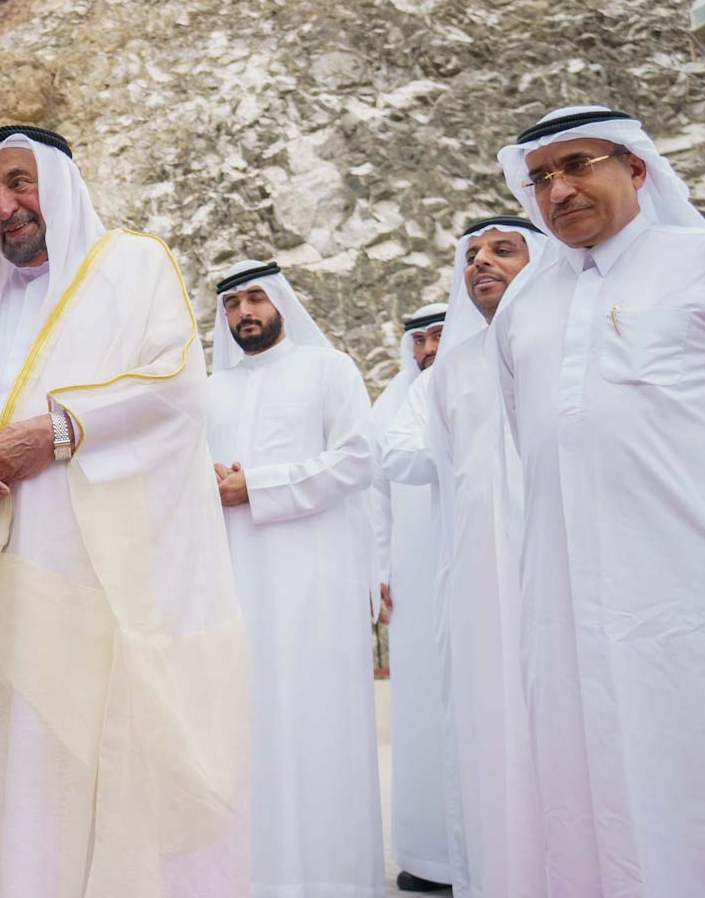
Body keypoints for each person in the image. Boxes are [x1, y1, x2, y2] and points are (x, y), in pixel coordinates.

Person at [0, 125, 250, 896]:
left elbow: (176, 387)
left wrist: (57, 430)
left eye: (20, 183)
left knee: (79, 777)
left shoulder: (132, 266)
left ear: (61, 184)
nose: (5, 207)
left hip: (91, 592)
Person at [490, 106, 705, 895]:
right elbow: (536, 437)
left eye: (578, 164)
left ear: (637, 168)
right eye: (541, 177)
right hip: (571, 598)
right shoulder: (524, 303)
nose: (559, 189)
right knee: (594, 788)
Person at [382, 216, 550, 898]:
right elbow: (403, 455)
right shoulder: (442, 374)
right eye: (471, 255)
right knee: (492, 738)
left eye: (503, 250)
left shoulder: (570, 334)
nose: (481, 262)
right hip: (482, 579)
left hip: (571, 569)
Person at [208, 260, 384, 898]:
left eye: (255, 298)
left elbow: (360, 458)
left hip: (315, 581)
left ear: (281, 302)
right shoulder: (209, 391)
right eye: (232, 304)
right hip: (234, 582)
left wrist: (257, 484)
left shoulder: (328, 369)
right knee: (243, 721)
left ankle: (328, 879)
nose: (244, 313)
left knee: (317, 719)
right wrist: (208, 483)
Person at [368, 301, 457, 893]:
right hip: (414, 583)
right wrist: (378, 571)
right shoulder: (390, 407)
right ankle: (429, 856)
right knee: (423, 714)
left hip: (481, 572)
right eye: (418, 341)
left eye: (438, 338)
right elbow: (373, 497)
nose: (427, 351)